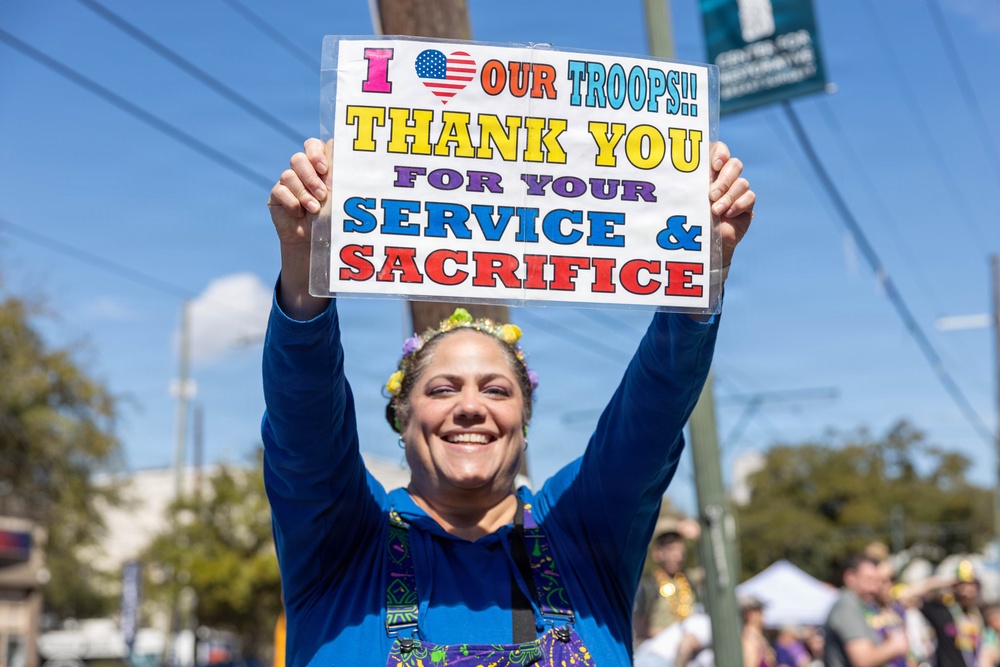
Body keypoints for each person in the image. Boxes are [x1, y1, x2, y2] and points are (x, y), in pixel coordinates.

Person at [261, 136, 755, 667]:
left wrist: (699, 270)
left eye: (496, 390)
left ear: (524, 422)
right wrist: (307, 265)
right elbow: (304, 418)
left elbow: (652, 412)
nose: (471, 406)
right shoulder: (343, 543)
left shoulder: (582, 533)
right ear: (402, 418)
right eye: (443, 388)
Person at [824, 554, 909, 667]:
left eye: (877, 581)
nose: (875, 588)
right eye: (869, 580)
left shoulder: (860, 606)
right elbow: (863, 660)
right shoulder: (847, 607)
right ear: (850, 577)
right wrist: (895, 646)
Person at [634, 517, 702, 645]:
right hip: (661, 647)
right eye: (670, 550)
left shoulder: (689, 578)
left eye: (679, 549)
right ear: (657, 553)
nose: (677, 555)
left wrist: (700, 537)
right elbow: (638, 629)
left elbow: (714, 570)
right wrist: (667, 634)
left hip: (692, 645)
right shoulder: (648, 585)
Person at [921, 559, 985, 667]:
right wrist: (945, 582)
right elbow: (909, 596)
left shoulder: (978, 613)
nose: (969, 590)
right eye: (964, 584)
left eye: (972, 584)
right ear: (955, 586)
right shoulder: (942, 610)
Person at [741, 596, 777, 667]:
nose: (763, 614)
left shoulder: (759, 638)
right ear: (749, 613)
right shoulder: (749, 641)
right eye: (759, 610)